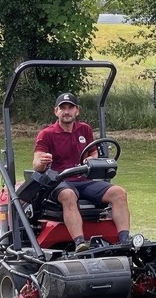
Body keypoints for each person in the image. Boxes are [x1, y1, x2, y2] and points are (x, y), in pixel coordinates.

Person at [32, 92, 130, 248]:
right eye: (62, 108)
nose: (66, 111)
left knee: (119, 192)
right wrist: (42, 162)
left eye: (70, 108)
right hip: (60, 182)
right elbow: (37, 163)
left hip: (84, 180)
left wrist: (92, 159)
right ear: (56, 111)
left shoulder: (84, 129)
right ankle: (80, 243)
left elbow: (93, 152)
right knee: (68, 195)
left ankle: (125, 240)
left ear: (77, 110)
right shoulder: (47, 134)